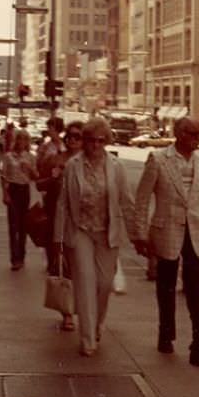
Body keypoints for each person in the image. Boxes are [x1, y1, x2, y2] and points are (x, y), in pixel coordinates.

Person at [133, 115, 199, 367]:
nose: (198, 139)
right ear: (179, 134)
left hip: (197, 231)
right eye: (193, 134)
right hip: (167, 230)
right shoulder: (158, 159)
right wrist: (140, 234)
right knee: (166, 286)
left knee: (196, 287)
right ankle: (166, 333)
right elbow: (142, 199)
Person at [53, 116, 135, 357]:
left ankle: (97, 324)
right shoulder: (73, 166)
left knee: (104, 284)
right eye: (91, 140)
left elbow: (126, 202)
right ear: (84, 141)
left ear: (107, 141)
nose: (95, 146)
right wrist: (58, 238)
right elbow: (63, 204)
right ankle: (88, 338)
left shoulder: (117, 167)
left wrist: (138, 234)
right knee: (86, 282)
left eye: (101, 141)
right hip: (80, 231)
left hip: (107, 232)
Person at [38, 119, 84, 331]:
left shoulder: (89, 162)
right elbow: (40, 183)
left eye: (79, 136)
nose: (74, 140)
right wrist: (53, 176)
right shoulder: (56, 159)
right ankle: (67, 313)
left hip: (85, 223)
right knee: (62, 268)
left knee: (82, 269)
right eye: (71, 136)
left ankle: (83, 310)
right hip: (59, 219)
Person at [0, 128, 37, 270]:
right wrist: (5, 193)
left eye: (25, 139)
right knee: (13, 225)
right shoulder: (9, 156)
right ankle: (14, 258)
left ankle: (21, 256)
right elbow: (3, 176)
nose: (22, 141)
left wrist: (29, 168)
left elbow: (35, 176)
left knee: (23, 226)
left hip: (24, 190)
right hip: (13, 189)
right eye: (20, 138)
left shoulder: (30, 157)